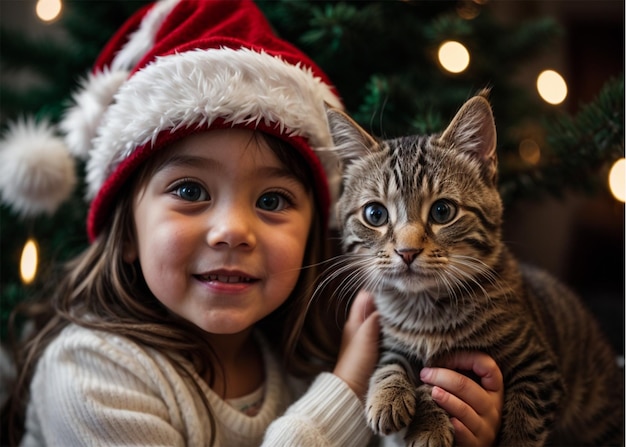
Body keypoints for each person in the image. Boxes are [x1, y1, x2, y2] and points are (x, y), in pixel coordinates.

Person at [1, 0, 503, 445]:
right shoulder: (90, 372)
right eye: (190, 191)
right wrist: (347, 388)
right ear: (126, 231)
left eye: (272, 199)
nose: (232, 230)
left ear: (313, 231)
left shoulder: (298, 362)